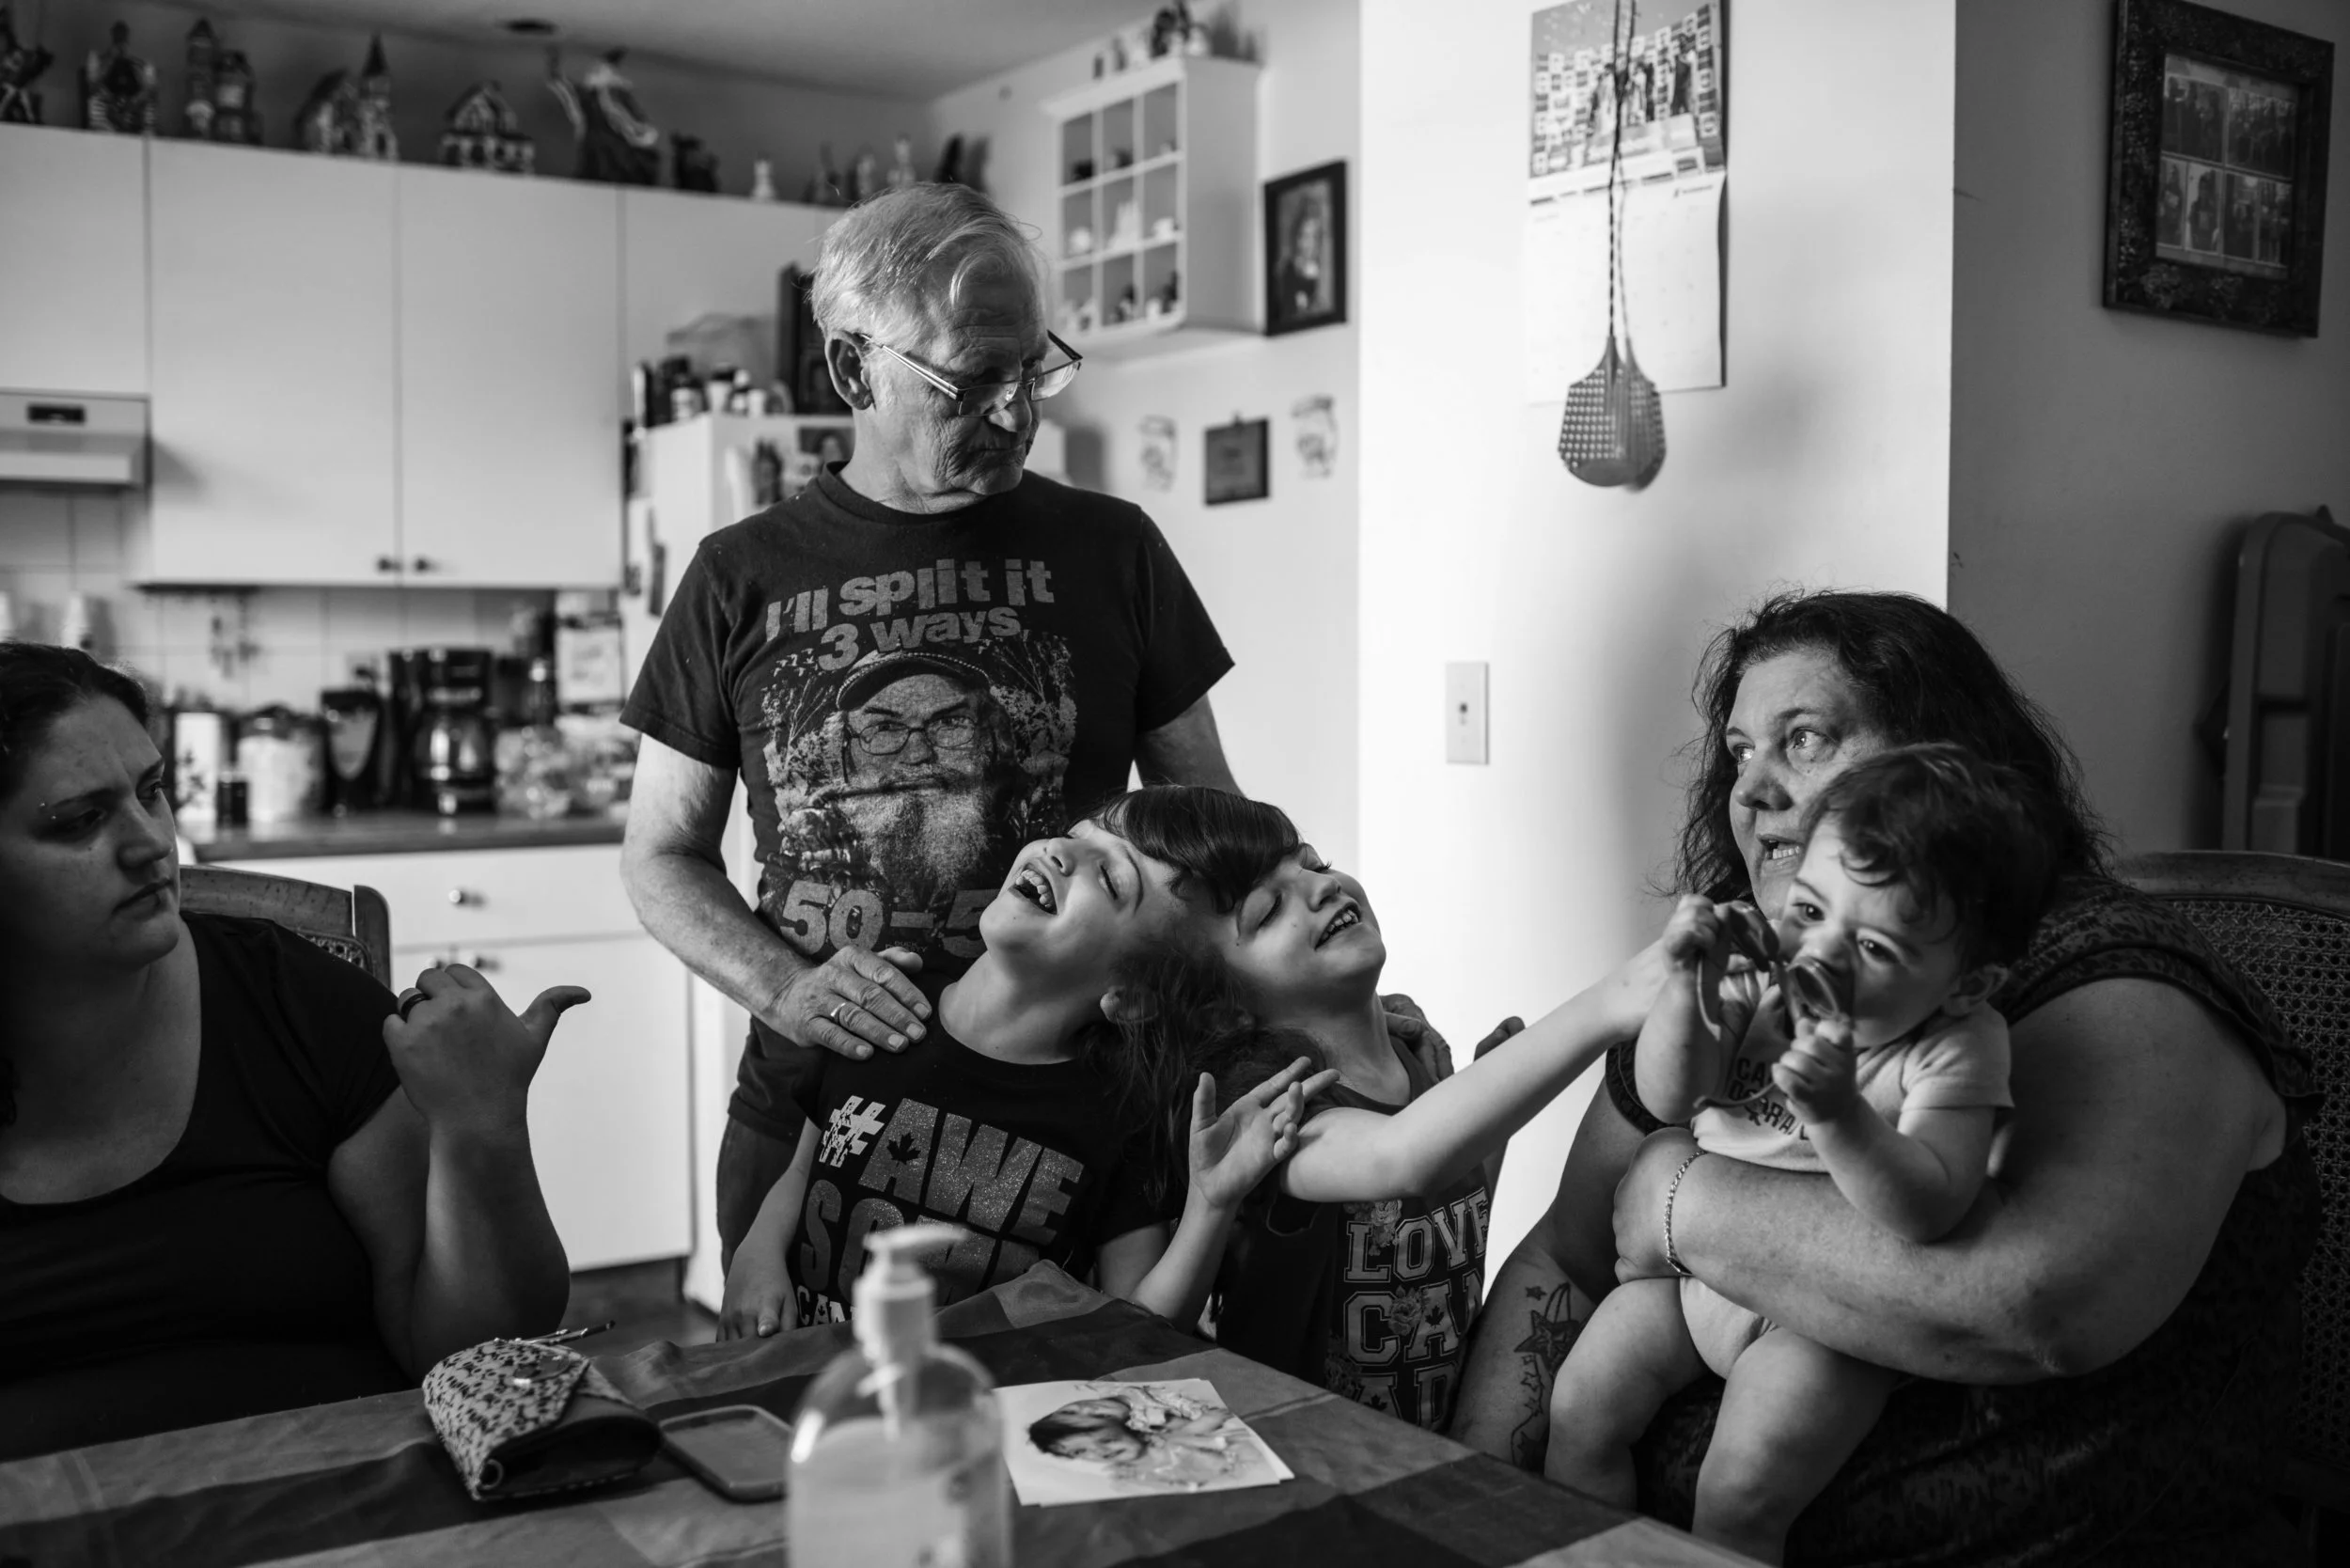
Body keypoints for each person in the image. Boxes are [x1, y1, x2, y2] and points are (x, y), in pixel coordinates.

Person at [1454, 590, 2318, 1565]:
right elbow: (1566, 1259)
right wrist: (1473, 1521)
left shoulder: (2111, 979)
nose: (1751, 789)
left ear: (1937, 769)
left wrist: (1676, 1199)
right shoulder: (1755, 956)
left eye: (1805, 739)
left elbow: (2038, 1305)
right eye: (1739, 751)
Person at [621, 181, 1241, 1277]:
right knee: (809, 1427)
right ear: (854, 369)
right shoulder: (738, 575)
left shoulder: (1115, 550)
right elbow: (660, 855)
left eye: (1031, 369)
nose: (1012, 411)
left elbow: (1212, 832)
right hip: (814, 1120)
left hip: (1077, 1127)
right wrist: (785, 989)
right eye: (971, 379)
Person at [0, 646, 584, 1458]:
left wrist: (481, 1125)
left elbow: (478, 1349)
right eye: (78, 821)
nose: (151, 843)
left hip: (347, 1508)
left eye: (152, 792)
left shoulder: (292, 1001)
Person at [1545, 745, 2059, 1563]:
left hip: (1826, 1321)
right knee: (1577, 1411)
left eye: (1878, 949)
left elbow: (1935, 1204)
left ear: (1965, 985)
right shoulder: (1764, 978)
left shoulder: (1955, 1046)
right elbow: (1672, 1095)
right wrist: (1688, 987)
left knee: (1739, 1497)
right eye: (1813, 913)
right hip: (1692, 1283)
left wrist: (1839, 1115)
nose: (1822, 956)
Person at [716, 789, 1326, 1340]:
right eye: (1084, 837)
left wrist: (1210, 1206)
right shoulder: (880, 1002)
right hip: (809, 1382)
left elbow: (1137, 1323)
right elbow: (800, 1173)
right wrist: (756, 1255)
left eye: (1112, 881)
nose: (1065, 854)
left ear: (1133, 997)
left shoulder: (1120, 1114)